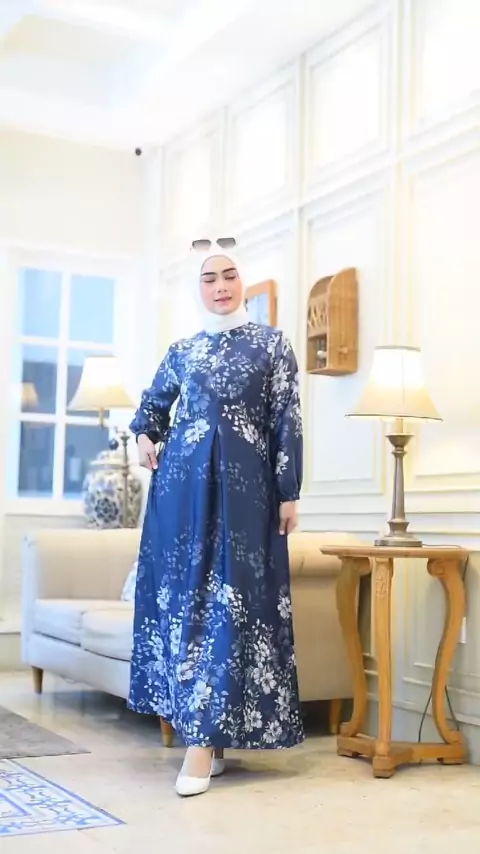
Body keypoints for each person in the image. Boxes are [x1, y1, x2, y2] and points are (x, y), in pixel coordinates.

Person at [129, 243, 304, 797]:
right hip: (181, 494)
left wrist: (289, 491)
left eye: (229, 276)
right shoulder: (182, 351)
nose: (221, 286)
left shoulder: (272, 345)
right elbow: (152, 407)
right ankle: (206, 742)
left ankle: (205, 741)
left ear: (242, 282)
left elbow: (286, 417)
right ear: (198, 288)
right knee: (189, 604)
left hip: (246, 494)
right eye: (209, 278)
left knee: (234, 603)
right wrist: (144, 436)